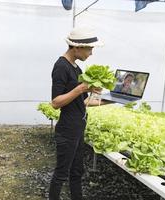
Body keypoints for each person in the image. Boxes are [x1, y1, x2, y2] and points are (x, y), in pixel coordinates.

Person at [49, 27, 112, 200]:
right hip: (67, 130)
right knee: (61, 173)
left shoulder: (76, 68)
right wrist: (80, 88)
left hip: (77, 128)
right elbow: (55, 103)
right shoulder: (61, 66)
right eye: (89, 49)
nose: (91, 53)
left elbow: (82, 101)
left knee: (77, 171)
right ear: (76, 47)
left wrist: (110, 100)